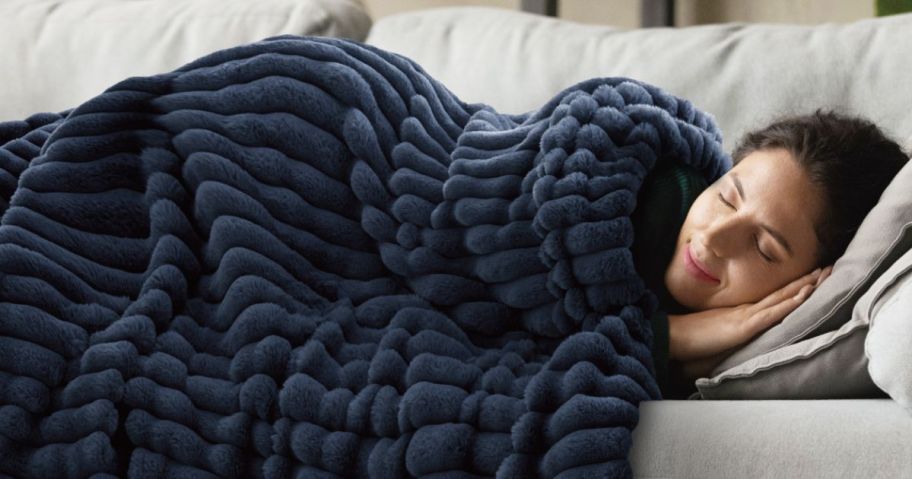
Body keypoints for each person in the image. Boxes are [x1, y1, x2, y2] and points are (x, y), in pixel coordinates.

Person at [631, 109, 910, 399]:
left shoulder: (727, 351)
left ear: (804, 285)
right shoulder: (648, 197)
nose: (714, 237)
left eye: (764, 249)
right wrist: (671, 336)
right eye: (726, 198)